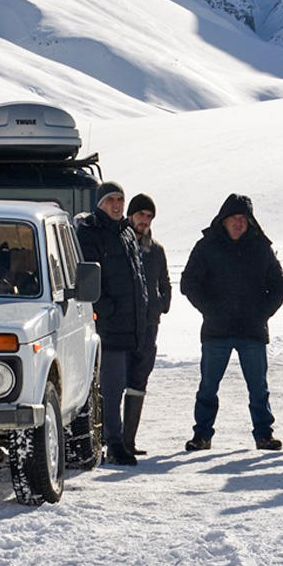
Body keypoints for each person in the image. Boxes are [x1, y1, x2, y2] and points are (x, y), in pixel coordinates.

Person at [180, 194, 283, 451]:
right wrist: (209, 310)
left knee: (258, 388)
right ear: (223, 220)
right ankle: (201, 435)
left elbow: (280, 285)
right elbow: (189, 283)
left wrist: (262, 313)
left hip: (252, 331)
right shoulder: (207, 246)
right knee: (208, 387)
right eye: (234, 218)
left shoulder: (261, 246)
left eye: (243, 218)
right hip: (216, 330)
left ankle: (264, 435)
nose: (239, 223)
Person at [75, 181, 148, 465]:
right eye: (110, 200)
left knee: (123, 384)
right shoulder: (90, 233)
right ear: (99, 203)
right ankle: (113, 443)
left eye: (119, 200)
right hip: (108, 326)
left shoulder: (126, 232)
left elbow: (136, 276)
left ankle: (116, 439)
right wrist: (107, 309)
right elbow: (87, 280)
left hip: (131, 324)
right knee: (111, 387)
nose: (116, 205)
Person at [122, 193, 171, 456]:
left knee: (139, 380)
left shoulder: (157, 250)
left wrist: (162, 303)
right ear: (130, 215)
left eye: (149, 216)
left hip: (149, 325)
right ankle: (110, 440)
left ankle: (128, 442)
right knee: (114, 381)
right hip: (122, 325)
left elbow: (164, 281)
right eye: (141, 214)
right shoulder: (120, 244)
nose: (145, 220)